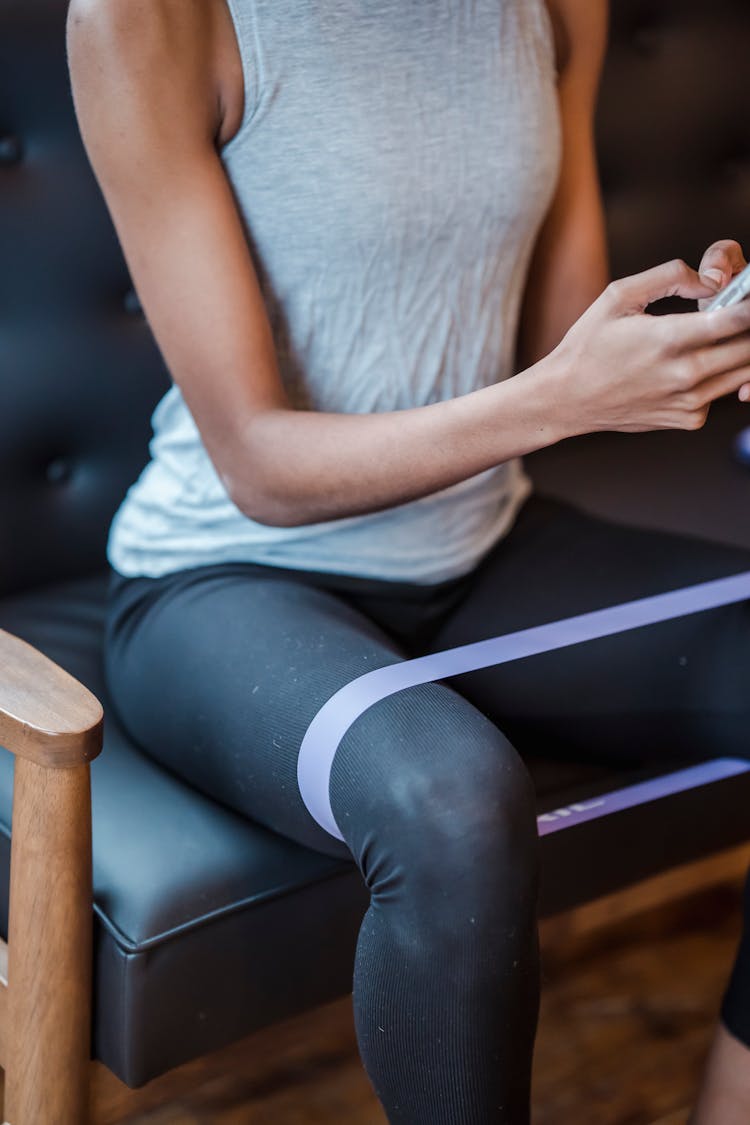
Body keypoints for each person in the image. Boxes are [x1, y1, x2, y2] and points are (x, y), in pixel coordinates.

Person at [66, 0, 750, 1120]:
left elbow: (562, 342)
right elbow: (260, 466)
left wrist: (697, 335)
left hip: (481, 545)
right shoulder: (151, 20)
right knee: (452, 804)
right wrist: (559, 398)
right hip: (227, 580)